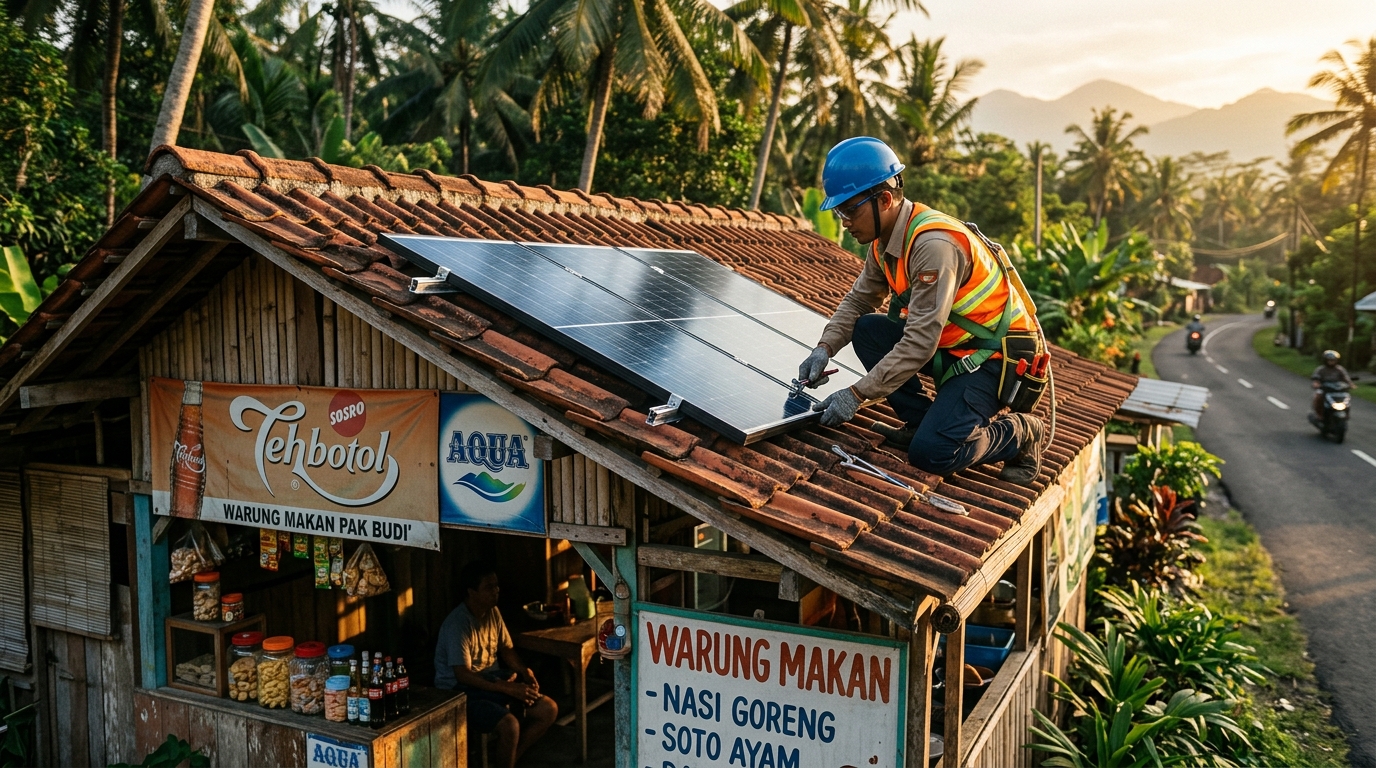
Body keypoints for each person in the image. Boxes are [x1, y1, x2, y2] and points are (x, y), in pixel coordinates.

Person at [798, 136, 1046, 484]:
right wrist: (824, 348)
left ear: (884, 199)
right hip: (953, 348)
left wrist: (856, 395)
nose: (844, 222)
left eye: (849, 210)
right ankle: (920, 421)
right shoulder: (884, 242)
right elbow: (858, 301)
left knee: (932, 453)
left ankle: (1021, 433)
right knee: (867, 329)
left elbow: (919, 343)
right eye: (839, 212)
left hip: (994, 358)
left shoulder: (933, 246)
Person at [434, 562, 557, 767]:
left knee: (548, 709)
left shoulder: (493, 612)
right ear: (471, 592)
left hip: (492, 681)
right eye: (489, 587)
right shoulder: (458, 624)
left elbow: (507, 649)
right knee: (510, 725)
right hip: (458, 692)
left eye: (496, 585)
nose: (496, 590)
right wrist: (507, 687)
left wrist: (525, 672)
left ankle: (509, 760)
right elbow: (463, 675)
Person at [1312, 349, 1355, 417]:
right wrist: (1316, 383)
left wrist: (1350, 384)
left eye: (1333, 360)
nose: (1331, 362)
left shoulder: (1340, 369)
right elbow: (1316, 378)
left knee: (1346, 397)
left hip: (1337, 389)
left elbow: (1346, 378)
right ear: (1325, 360)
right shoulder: (1321, 369)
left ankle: (1346, 414)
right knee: (1318, 396)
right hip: (1325, 389)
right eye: (1330, 360)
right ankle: (1319, 414)